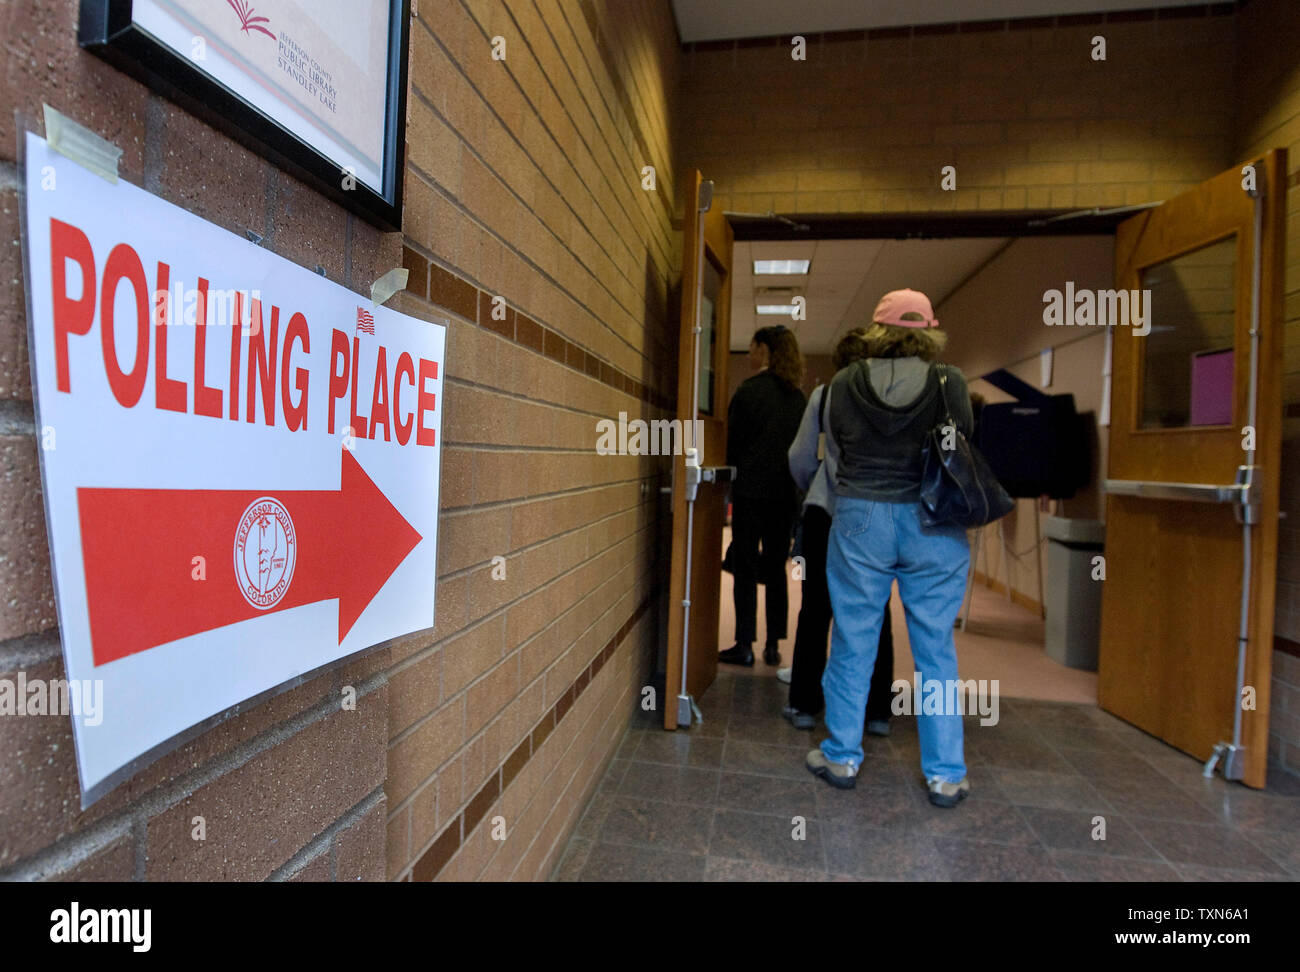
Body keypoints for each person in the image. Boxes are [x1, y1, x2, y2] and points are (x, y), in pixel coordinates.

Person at [805, 289, 974, 809]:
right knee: (936, 650)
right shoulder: (951, 382)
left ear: (876, 330)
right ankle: (946, 775)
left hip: (861, 517)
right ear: (929, 331)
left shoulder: (842, 384)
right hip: (932, 519)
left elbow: (833, 444)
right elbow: (961, 439)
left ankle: (841, 755)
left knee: (855, 639)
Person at [783, 328, 894, 733]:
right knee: (874, 611)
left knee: (814, 610)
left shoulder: (825, 395)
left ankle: (804, 705)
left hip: (825, 514)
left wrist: (817, 483)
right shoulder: (892, 399)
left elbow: (799, 456)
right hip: (877, 519)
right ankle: (876, 711)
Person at [719, 325, 807, 667]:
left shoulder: (749, 391)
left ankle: (744, 644)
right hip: (784, 495)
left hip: (750, 493)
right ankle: (773, 644)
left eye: (752, 347)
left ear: (765, 350)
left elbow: (733, 446)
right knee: (774, 568)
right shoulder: (797, 397)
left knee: (744, 566)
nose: (749, 354)